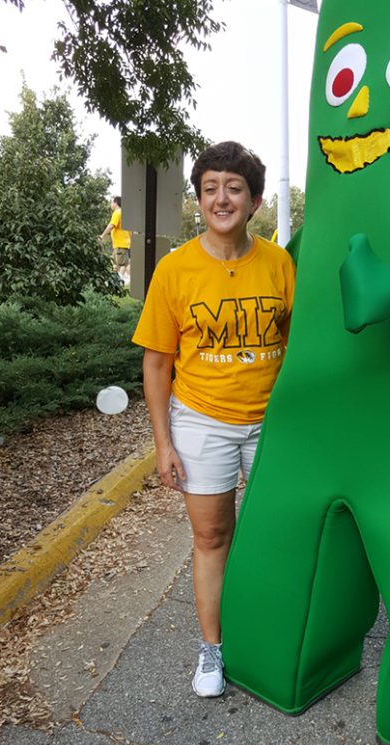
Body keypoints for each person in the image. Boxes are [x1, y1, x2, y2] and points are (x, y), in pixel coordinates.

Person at [132, 141, 295, 696]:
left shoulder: (279, 263)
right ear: (199, 200)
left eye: (234, 188)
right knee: (212, 536)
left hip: (273, 425)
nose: (221, 198)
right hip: (203, 422)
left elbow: (296, 345)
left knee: (278, 533)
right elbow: (156, 364)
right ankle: (212, 650)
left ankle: (271, 638)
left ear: (253, 201)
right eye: (210, 189)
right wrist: (164, 444)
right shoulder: (176, 271)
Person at [99, 196, 131, 284]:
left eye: (111, 202)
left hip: (120, 244)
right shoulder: (124, 213)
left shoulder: (117, 213)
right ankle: (121, 279)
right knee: (117, 263)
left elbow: (111, 225)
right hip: (121, 243)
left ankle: (119, 281)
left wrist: (102, 235)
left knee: (121, 264)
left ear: (115, 203)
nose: (110, 205)